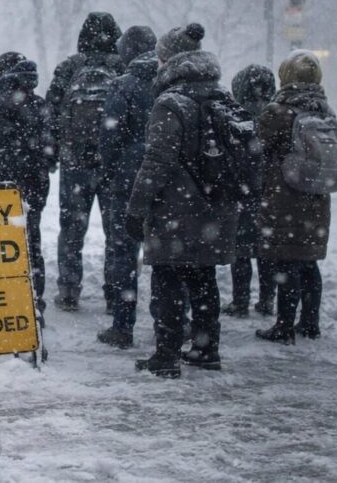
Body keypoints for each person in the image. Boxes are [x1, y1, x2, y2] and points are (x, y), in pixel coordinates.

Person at [127, 24, 239, 378]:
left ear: (168, 60)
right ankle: (206, 349)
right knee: (203, 278)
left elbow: (158, 160)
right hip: (214, 204)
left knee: (169, 281)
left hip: (176, 207)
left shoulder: (170, 102)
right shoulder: (221, 96)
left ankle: (166, 355)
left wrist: (137, 206)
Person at [256, 51, 337, 344]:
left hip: (284, 197)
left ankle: (283, 326)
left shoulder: (278, 111)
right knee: (308, 263)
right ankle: (309, 323)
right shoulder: (325, 111)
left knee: (286, 263)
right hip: (316, 198)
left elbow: (257, 146)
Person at [46, 12, 124, 312]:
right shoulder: (122, 69)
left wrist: (52, 154)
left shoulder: (69, 67)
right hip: (112, 162)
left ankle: (68, 290)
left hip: (75, 161)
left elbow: (51, 113)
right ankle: (116, 294)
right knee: (115, 230)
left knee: (71, 228)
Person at [0, 54, 57, 315]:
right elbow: (51, 150)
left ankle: (4, 300)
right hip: (34, 187)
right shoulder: (39, 105)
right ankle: (34, 302)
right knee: (32, 243)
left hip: (1, 187)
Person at [96, 25, 157, 349]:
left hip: (128, 181)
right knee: (166, 253)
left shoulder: (123, 86)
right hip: (167, 181)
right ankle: (175, 322)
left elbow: (110, 137)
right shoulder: (167, 82)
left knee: (124, 252)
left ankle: (123, 326)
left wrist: (111, 172)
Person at [225, 65, 277, 318]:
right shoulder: (277, 114)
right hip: (270, 192)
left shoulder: (236, 116)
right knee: (265, 250)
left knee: (241, 250)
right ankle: (267, 300)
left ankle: (240, 301)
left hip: (243, 191)